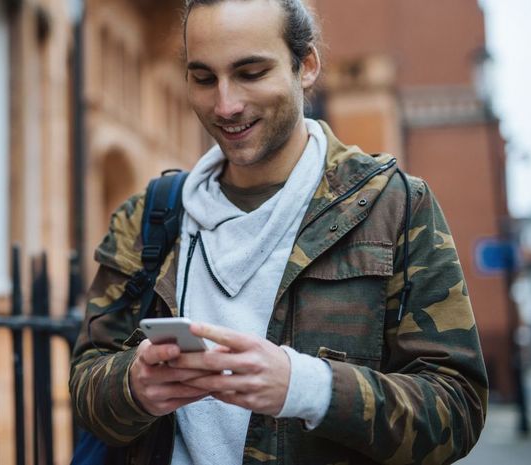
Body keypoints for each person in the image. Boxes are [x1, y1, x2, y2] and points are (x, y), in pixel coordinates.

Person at [69, 0, 488, 463]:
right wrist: (134, 386)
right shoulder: (149, 216)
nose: (226, 105)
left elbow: (457, 408)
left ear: (305, 66)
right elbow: (87, 389)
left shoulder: (395, 207)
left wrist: (309, 388)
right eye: (204, 78)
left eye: (251, 73)